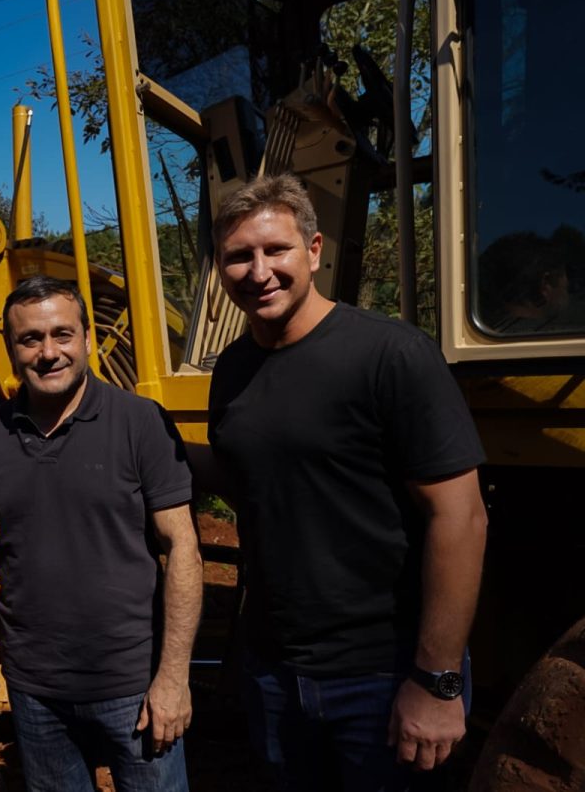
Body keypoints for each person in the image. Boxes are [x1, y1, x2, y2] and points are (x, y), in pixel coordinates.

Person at [204, 174, 488, 791]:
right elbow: (254, 483)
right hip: (275, 672)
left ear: (313, 250)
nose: (258, 272)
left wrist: (437, 682)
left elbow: (461, 517)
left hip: (382, 676)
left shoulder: (392, 356)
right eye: (238, 257)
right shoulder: (232, 370)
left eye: (275, 250)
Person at [0, 275, 203, 792]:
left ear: (87, 338)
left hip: (132, 687)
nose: (49, 352)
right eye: (31, 339)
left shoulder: (140, 423)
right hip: (34, 690)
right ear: (10, 348)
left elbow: (183, 549)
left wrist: (174, 677)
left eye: (62, 334)